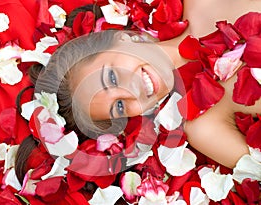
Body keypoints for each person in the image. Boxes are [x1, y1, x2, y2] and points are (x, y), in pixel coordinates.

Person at [15, 0, 261, 184]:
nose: (131, 92)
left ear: (122, 38)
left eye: (111, 77)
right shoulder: (204, 127)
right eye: (119, 106)